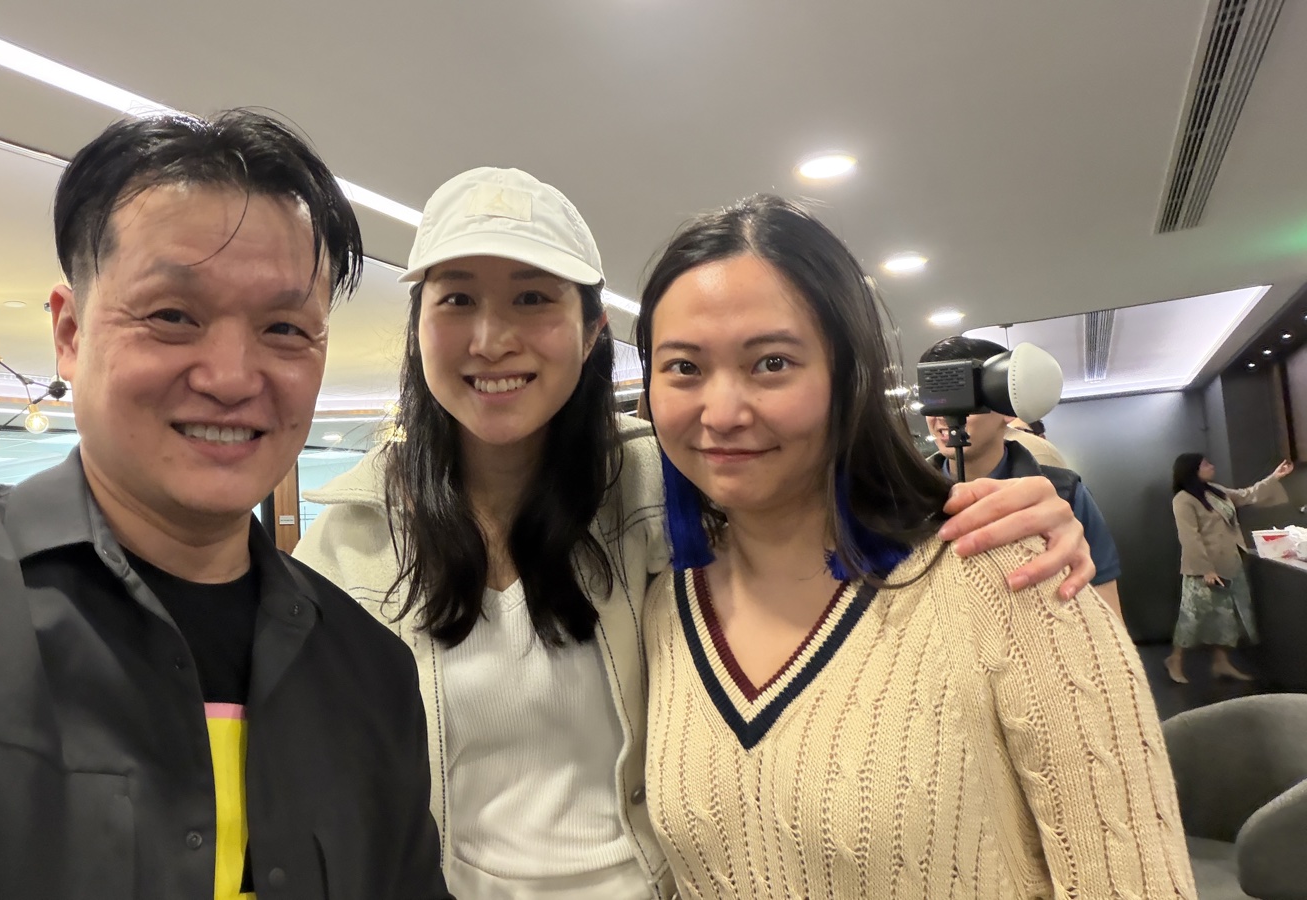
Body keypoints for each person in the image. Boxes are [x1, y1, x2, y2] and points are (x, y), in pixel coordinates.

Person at [294, 168, 1097, 898]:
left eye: (534, 297)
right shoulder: (351, 541)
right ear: (418, 324)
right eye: (456, 299)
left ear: (590, 328)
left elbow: (816, 488)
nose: (490, 338)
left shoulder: (664, 489)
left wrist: (1011, 513)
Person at [0, 110, 448, 900]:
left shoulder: (369, 672)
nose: (232, 376)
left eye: (284, 328)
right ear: (68, 333)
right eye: (172, 315)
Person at [638, 194, 1193, 898]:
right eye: (683, 368)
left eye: (772, 363)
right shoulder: (663, 610)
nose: (721, 412)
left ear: (849, 378)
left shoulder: (1009, 571)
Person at [921, 336, 1123, 616]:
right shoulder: (904, 499)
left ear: (1005, 406)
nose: (942, 416)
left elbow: (1106, 608)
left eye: (961, 394)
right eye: (935, 394)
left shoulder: (1064, 493)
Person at [1167, 452, 1292, 683]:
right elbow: (1189, 537)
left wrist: (1274, 477)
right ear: (1192, 469)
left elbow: (1247, 495)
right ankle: (1175, 659)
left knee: (1228, 616)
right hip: (1203, 568)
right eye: (1205, 464)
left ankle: (1221, 662)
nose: (1211, 466)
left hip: (1230, 561)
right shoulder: (1184, 500)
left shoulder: (1215, 491)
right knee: (1193, 617)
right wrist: (1206, 569)